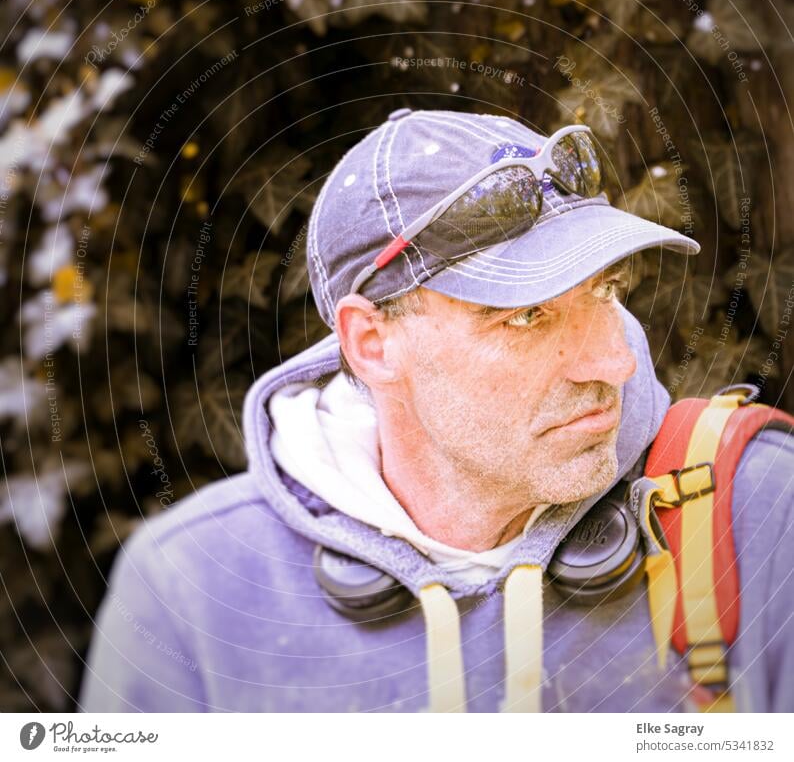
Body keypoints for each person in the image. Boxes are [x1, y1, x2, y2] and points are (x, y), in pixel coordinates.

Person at [79, 108, 794, 713]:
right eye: (526, 316)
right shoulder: (193, 592)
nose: (615, 361)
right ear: (372, 342)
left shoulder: (757, 513)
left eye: (604, 291)